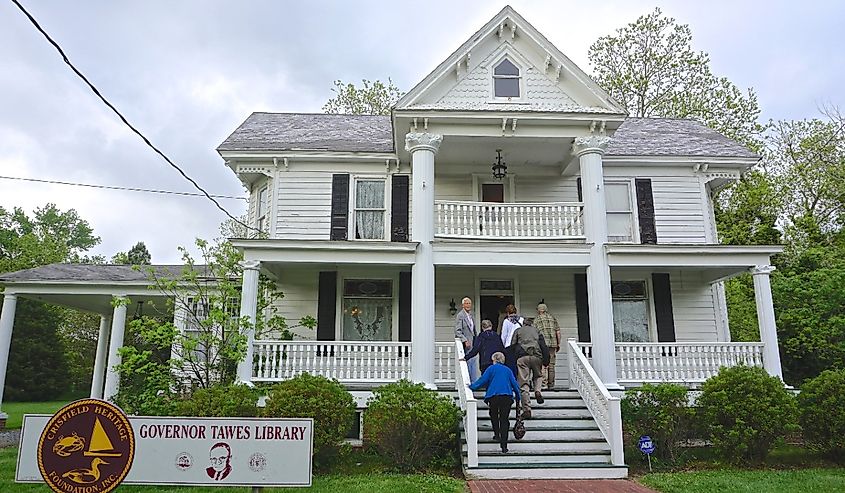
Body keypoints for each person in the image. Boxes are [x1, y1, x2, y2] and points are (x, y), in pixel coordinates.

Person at [469, 351, 521, 453]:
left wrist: (472, 386)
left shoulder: (491, 369)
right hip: (506, 396)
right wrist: (518, 397)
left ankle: (497, 434)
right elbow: (515, 384)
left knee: (493, 414)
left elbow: (482, 380)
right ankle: (504, 445)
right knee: (504, 419)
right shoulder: (508, 370)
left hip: (494, 396)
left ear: (494, 360)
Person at [511, 318, 550, 419]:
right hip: (536, 356)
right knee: (538, 376)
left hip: (522, 358)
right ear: (532, 324)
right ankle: (538, 390)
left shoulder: (518, 331)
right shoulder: (537, 331)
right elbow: (543, 346)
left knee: (523, 383)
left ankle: (527, 409)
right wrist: (546, 360)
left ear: (523, 323)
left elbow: (513, 345)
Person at [534, 303, 561, 390]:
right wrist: (558, 343)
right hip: (553, 344)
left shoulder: (537, 320)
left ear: (539, 310)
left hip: (542, 345)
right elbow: (558, 332)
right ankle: (551, 384)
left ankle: (543, 384)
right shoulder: (552, 318)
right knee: (551, 365)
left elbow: (535, 333)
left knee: (543, 364)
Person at [455, 297, 479, 381]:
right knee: (468, 360)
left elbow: (473, 330)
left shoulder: (471, 315)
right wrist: (464, 340)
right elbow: (458, 331)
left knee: (473, 360)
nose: (468, 305)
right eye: (466, 303)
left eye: (469, 303)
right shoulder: (460, 315)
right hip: (466, 343)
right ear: (463, 305)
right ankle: (469, 380)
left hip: (473, 342)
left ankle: (474, 380)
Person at [499, 304, 522, 376]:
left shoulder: (506, 321)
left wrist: (503, 345)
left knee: (510, 365)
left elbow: (504, 335)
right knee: (519, 365)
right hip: (519, 345)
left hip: (509, 345)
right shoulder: (521, 320)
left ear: (507, 312)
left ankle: (511, 380)